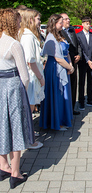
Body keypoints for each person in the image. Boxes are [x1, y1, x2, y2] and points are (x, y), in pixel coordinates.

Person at [0, 8, 34, 188]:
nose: (20, 24)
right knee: (16, 128)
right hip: (13, 87)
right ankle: (15, 172)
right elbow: (25, 76)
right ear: (13, 22)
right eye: (18, 21)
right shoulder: (14, 44)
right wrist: (24, 91)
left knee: (2, 126)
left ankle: (3, 165)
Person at [40, 14, 74, 131]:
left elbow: (66, 52)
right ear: (54, 24)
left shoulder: (59, 34)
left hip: (62, 66)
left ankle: (62, 119)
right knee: (57, 95)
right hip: (55, 68)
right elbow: (57, 58)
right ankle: (56, 122)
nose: (62, 23)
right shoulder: (50, 37)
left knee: (63, 94)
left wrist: (70, 64)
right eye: (60, 22)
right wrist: (70, 68)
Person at [18, 9, 44, 149]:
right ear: (30, 20)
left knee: (30, 108)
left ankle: (28, 137)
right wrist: (40, 77)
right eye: (38, 19)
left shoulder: (30, 35)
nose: (40, 22)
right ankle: (29, 140)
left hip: (33, 76)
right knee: (28, 110)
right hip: (32, 77)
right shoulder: (27, 37)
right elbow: (30, 61)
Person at [60, 13, 81, 115]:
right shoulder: (59, 32)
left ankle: (72, 108)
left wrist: (79, 55)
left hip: (75, 62)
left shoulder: (72, 30)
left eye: (69, 19)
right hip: (65, 63)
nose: (68, 21)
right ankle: (65, 109)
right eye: (66, 19)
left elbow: (78, 44)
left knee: (73, 85)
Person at [77, 16, 92, 110]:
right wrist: (88, 60)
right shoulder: (78, 36)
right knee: (81, 82)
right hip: (83, 62)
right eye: (86, 23)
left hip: (91, 62)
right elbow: (81, 49)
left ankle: (90, 99)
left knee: (90, 81)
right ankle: (81, 101)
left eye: (89, 23)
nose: (88, 25)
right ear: (82, 24)